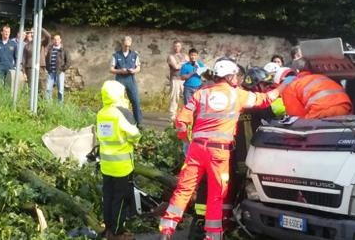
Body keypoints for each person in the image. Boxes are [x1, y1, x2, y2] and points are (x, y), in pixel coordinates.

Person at [159, 59, 277, 240]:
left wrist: (187, 139)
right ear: (230, 76)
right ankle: (213, 235)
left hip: (196, 150)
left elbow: (181, 122)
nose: (237, 78)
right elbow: (265, 99)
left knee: (184, 189)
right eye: (236, 75)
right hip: (218, 153)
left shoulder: (201, 93)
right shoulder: (237, 94)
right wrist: (283, 87)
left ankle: (167, 230)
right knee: (217, 194)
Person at [96, 80, 141, 240]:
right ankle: (117, 232)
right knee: (120, 199)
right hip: (122, 166)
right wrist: (135, 142)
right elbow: (134, 133)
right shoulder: (121, 112)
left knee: (107, 196)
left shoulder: (102, 112)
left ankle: (108, 226)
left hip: (106, 164)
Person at [270, 70, 352, 119]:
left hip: (321, 112)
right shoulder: (316, 76)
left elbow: (297, 119)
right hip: (345, 108)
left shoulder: (288, 88)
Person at [110, 36, 143, 126]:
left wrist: (134, 71)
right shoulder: (116, 55)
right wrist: (120, 71)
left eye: (128, 46)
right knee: (117, 101)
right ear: (122, 44)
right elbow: (111, 69)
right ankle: (117, 122)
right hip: (119, 79)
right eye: (125, 45)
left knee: (136, 101)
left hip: (130, 79)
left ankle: (139, 123)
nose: (127, 47)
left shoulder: (134, 55)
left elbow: (138, 67)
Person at [21, 28, 50, 92]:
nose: (34, 34)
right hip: (30, 69)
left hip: (40, 68)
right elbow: (23, 59)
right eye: (33, 32)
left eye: (35, 32)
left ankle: (41, 102)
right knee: (31, 88)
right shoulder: (27, 45)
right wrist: (24, 72)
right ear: (31, 34)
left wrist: (40, 28)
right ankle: (31, 101)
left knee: (42, 88)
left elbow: (48, 36)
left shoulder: (42, 42)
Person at [44, 33, 71, 101]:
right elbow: (46, 59)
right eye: (55, 39)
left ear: (60, 40)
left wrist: (62, 69)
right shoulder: (50, 49)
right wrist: (48, 68)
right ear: (53, 40)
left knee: (60, 90)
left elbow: (68, 62)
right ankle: (48, 105)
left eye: (57, 39)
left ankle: (60, 105)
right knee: (48, 89)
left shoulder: (64, 50)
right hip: (51, 72)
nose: (56, 41)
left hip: (60, 72)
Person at [166, 41, 186, 117]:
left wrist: (181, 63)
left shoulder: (185, 55)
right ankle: (172, 117)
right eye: (175, 46)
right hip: (175, 79)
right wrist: (184, 63)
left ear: (181, 47)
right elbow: (176, 67)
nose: (177, 48)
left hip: (184, 79)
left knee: (185, 98)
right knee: (174, 98)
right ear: (173, 47)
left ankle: (184, 116)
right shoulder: (170, 56)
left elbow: (189, 64)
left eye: (178, 46)